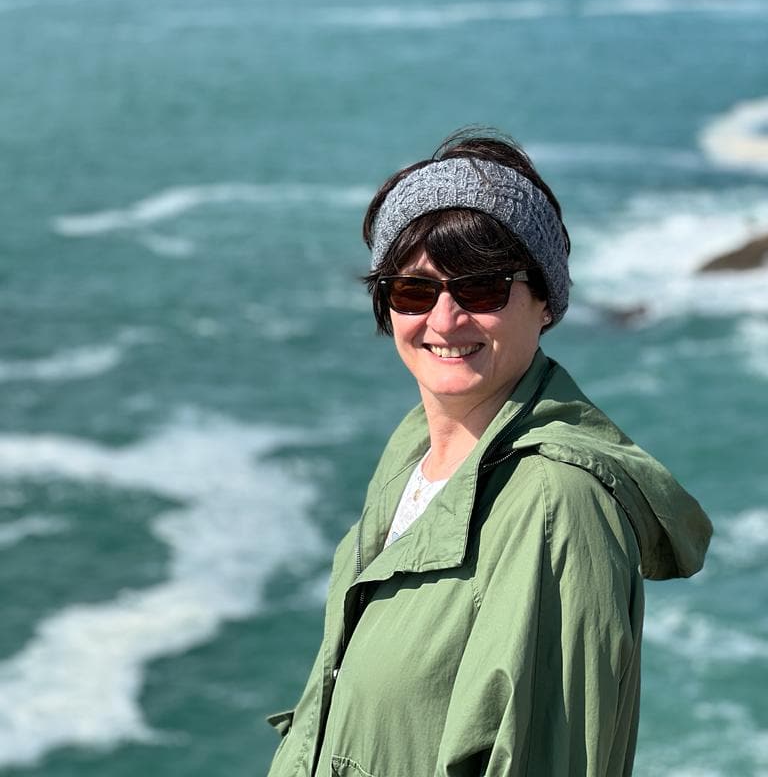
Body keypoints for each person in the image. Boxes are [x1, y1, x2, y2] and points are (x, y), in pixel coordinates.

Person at [266, 130, 712, 777]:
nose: (444, 320)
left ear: (544, 304)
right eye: (414, 291)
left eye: (482, 290)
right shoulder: (414, 453)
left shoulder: (560, 504)